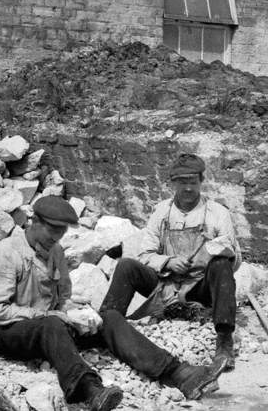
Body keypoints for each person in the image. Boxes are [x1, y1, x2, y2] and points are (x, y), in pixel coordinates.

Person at [0, 195, 223, 411]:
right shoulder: (6, 254)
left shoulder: (56, 251)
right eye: (52, 230)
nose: (57, 236)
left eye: (62, 231)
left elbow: (62, 297)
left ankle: (179, 373)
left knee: (110, 317)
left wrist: (78, 314)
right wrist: (48, 315)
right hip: (6, 333)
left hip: (50, 329)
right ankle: (90, 391)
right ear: (34, 222)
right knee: (51, 324)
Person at [100, 153, 240, 371]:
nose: (188, 189)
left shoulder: (217, 213)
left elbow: (235, 259)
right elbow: (145, 254)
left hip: (200, 286)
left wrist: (213, 255)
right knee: (126, 265)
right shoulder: (162, 211)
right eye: (182, 183)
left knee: (222, 266)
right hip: (165, 285)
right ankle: (106, 326)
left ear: (201, 181)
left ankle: (224, 341)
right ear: (173, 184)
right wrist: (168, 262)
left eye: (193, 182)